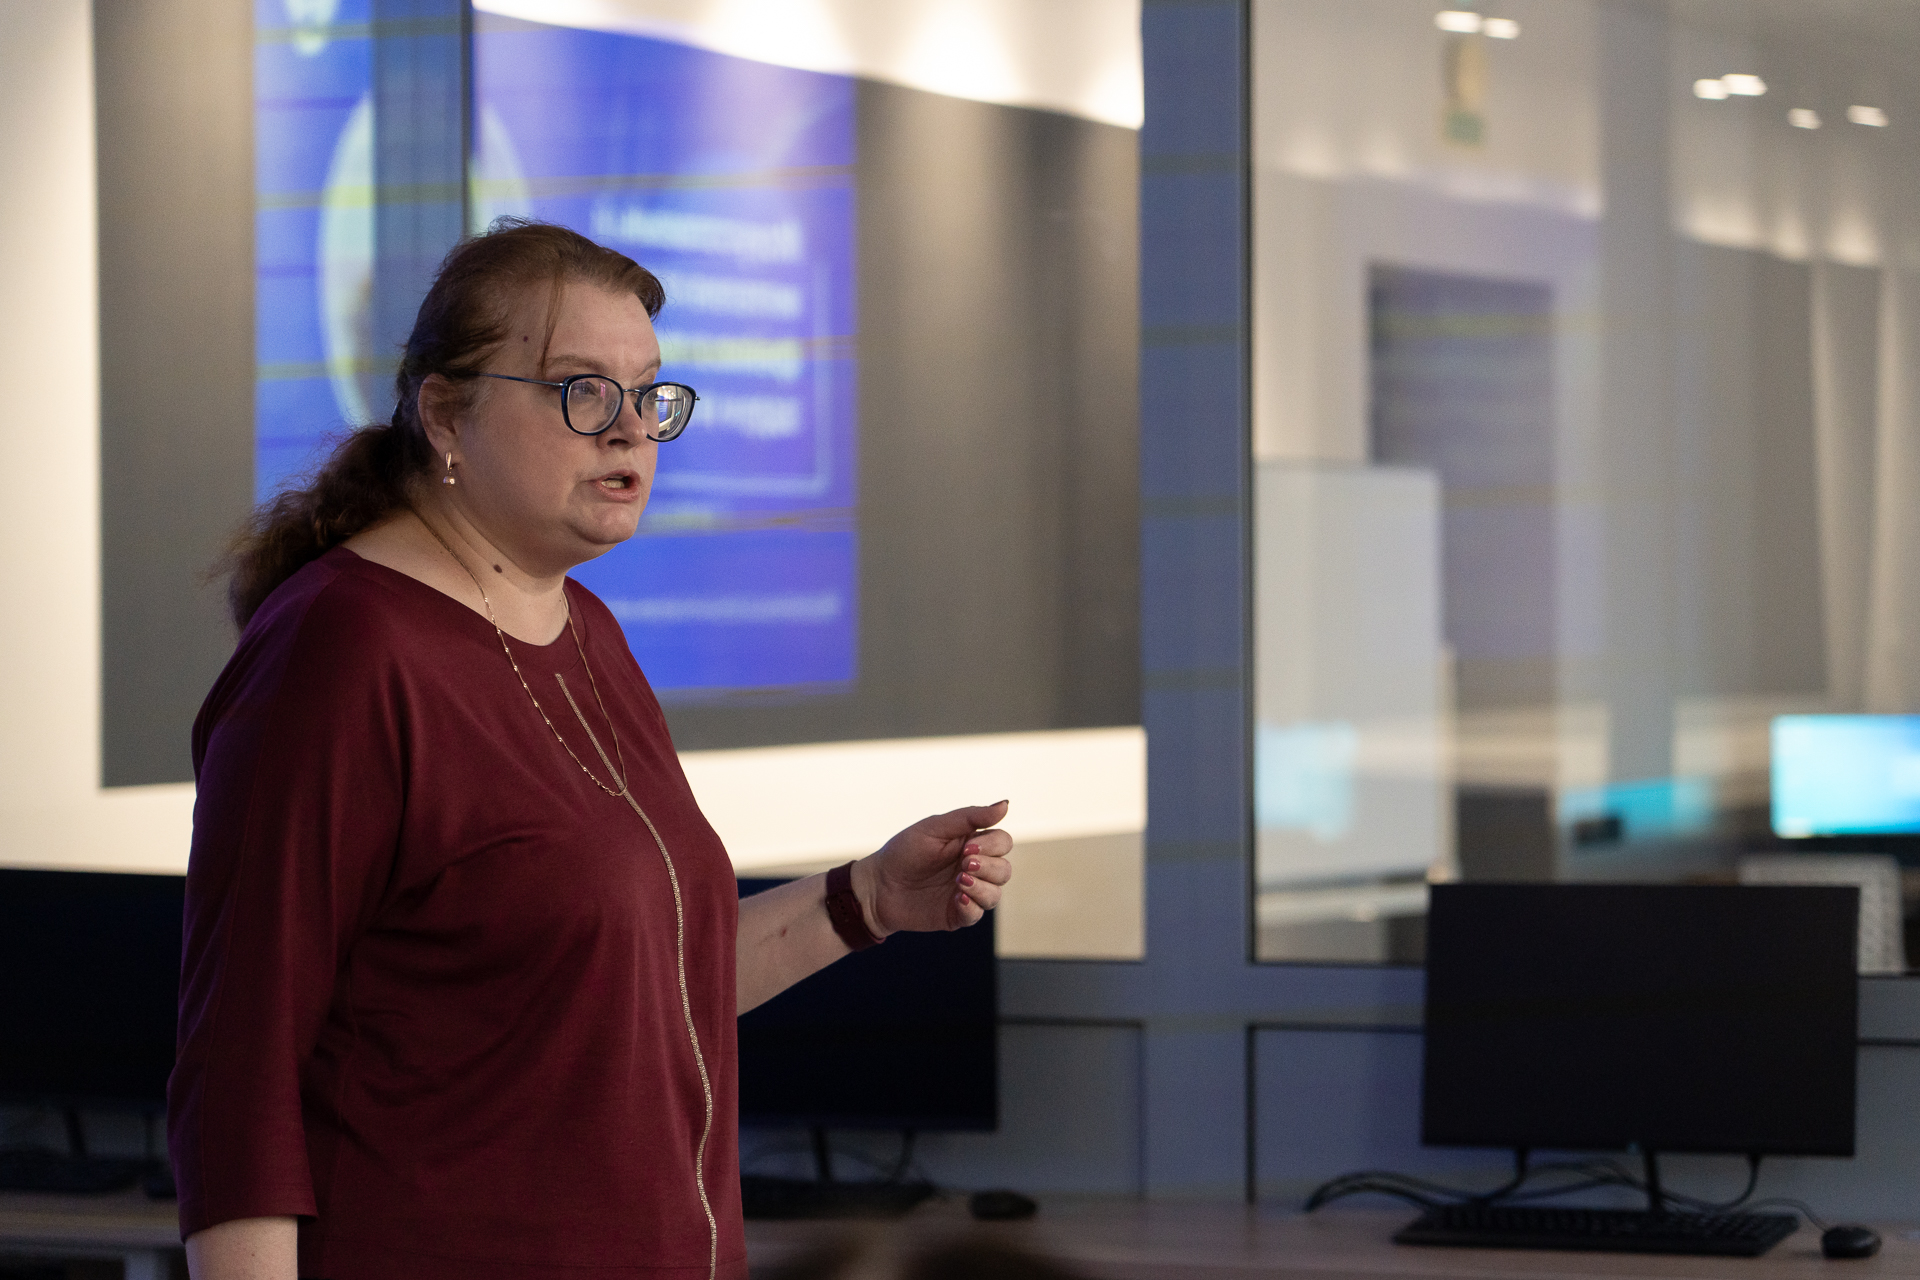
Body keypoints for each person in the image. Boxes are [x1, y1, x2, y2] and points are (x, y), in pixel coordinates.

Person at [169, 219, 1014, 1280]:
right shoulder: (341, 647)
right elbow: (238, 1073)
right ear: (446, 413)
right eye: (582, 390)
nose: (628, 432)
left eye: (648, 394)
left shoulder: (586, 628)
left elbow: (641, 981)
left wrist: (870, 898)